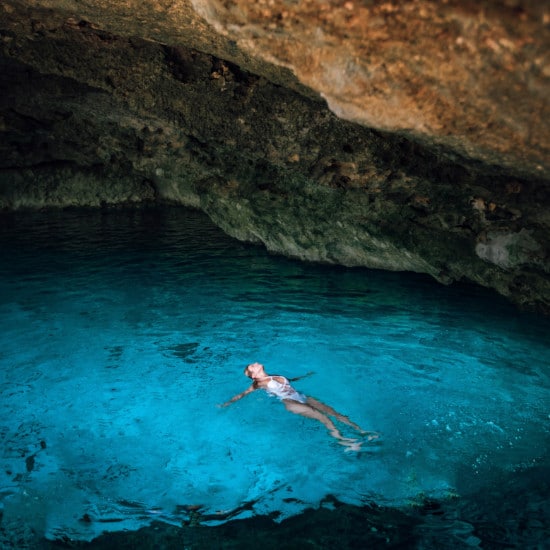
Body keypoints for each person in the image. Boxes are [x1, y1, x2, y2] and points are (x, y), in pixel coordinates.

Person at [220, 362, 379, 451]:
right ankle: (345, 442)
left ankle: (362, 431)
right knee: (323, 418)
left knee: (335, 413)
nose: (254, 363)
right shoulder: (258, 383)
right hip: (291, 403)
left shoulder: (273, 375)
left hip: (301, 396)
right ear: (253, 375)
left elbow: (290, 380)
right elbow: (242, 394)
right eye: (251, 367)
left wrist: (306, 375)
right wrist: (226, 404)